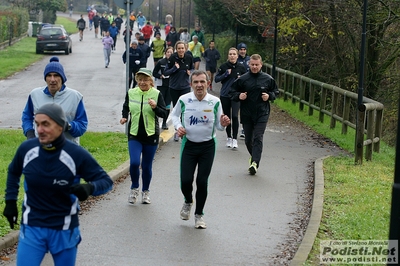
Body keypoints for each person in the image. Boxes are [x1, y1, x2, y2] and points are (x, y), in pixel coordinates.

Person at [4, 103, 113, 266]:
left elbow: (106, 182)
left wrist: (90, 188)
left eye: (46, 124)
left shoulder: (75, 154)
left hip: (64, 228)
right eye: (37, 124)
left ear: (61, 126)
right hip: (32, 225)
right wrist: (10, 202)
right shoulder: (27, 149)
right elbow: (13, 172)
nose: (39, 130)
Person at [171, 70, 231, 229]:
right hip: (189, 145)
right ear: (191, 84)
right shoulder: (184, 100)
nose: (199, 85)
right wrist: (179, 127)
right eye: (196, 82)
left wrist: (223, 124)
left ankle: (199, 215)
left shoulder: (215, 101)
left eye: (202, 82)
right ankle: (188, 201)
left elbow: (219, 126)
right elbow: (174, 115)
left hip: (207, 146)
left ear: (208, 84)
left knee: (202, 181)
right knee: (185, 181)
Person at [120, 68, 167, 205]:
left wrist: (155, 107)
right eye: (140, 79)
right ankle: (134, 188)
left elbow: (164, 114)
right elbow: (126, 107)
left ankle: (145, 192)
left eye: (145, 80)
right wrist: (124, 117)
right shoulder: (131, 93)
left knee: (146, 166)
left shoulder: (157, 94)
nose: (142, 82)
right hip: (134, 134)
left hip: (151, 135)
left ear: (151, 81)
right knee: (134, 163)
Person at [230, 54, 279, 175]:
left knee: (258, 137)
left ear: (261, 65)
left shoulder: (268, 79)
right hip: (247, 113)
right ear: (249, 64)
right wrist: (239, 96)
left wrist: (269, 96)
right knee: (248, 140)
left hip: (262, 112)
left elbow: (276, 92)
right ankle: (254, 157)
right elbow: (232, 92)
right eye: (252, 64)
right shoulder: (243, 79)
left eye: (257, 65)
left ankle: (255, 163)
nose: (254, 67)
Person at [22, 57, 88, 145]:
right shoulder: (34, 95)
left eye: (56, 75)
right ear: (45, 79)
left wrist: (68, 126)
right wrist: (30, 133)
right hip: (41, 149)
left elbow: (82, 125)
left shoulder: (75, 97)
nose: (52, 80)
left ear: (62, 78)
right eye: (49, 76)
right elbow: (27, 117)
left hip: (67, 149)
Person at [215, 47, 247, 149]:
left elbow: (246, 81)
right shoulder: (224, 66)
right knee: (227, 117)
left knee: (234, 116)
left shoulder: (241, 67)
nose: (232, 56)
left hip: (236, 95)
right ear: (228, 56)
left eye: (234, 54)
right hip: (225, 94)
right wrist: (225, 74)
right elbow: (216, 79)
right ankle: (229, 137)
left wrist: (240, 80)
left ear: (237, 56)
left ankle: (235, 139)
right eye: (230, 54)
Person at [164, 41, 194, 141]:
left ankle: (183, 130)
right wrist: (174, 68)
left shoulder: (189, 58)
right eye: (179, 48)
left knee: (185, 110)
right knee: (177, 110)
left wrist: (190, 73)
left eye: (182, 48)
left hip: (185, 87)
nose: (181, 50)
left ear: (185, 49)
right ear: (176, 49)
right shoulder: (172, 58)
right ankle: (177, 131)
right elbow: (166, 72)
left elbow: (193, 69)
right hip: (174, 87)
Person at [153, 46, 174, 129]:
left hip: (170, 86)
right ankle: (156, 121)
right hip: (161, 86)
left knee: (167, 105)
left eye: (171, 52)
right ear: (165, 53)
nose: (169, 54)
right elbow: (154, 72)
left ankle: (164, 122)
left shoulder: (175, 63)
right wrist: (160, 76)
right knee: (159, 104)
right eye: (168, 52)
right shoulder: (161, 62)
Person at [236, 42, 251, 139]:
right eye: (241, 49)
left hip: (249, 86)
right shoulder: (236, 60)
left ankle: (248, 128)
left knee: (249, 107)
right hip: (240, 87)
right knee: (241, 108)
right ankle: (243, 127)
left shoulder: (249, 60)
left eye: (244, 49)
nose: (242, 51)